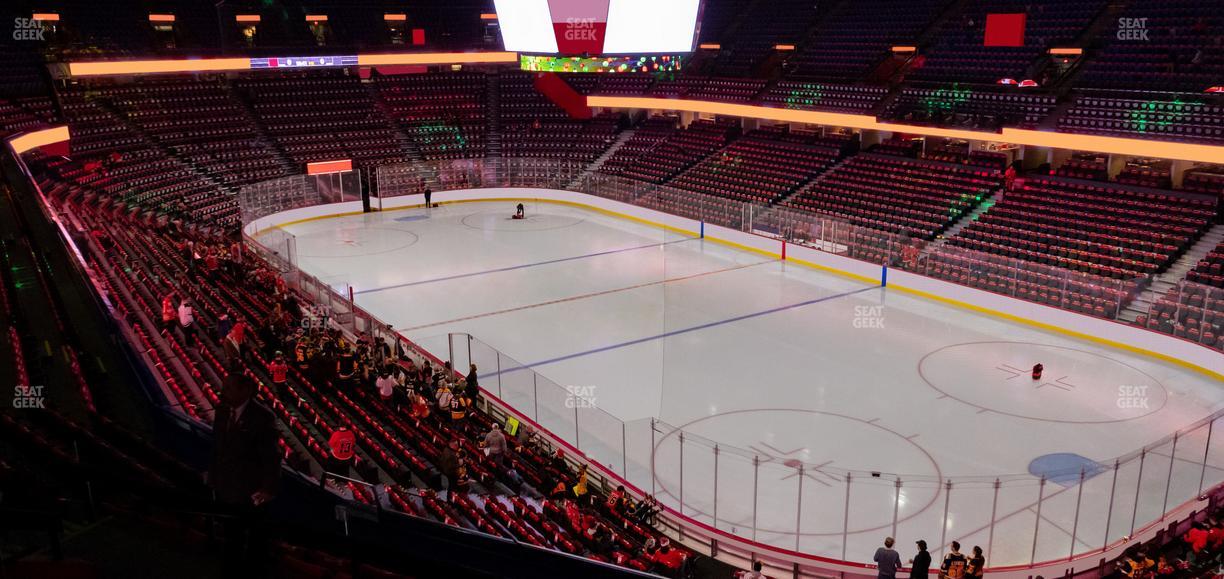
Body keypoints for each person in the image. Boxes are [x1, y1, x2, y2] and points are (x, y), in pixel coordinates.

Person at [208, 373, 280, 573]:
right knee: (230, 537)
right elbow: (217, 447)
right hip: (225, 486)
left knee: (253, 540)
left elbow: (271, 457)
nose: (223, 392)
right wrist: (213, 477)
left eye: (229, 388)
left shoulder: (263, 417)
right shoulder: (222, 410)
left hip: (250, 490)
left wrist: (268, 489)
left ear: (246, 390)